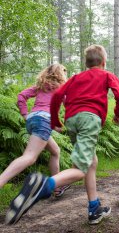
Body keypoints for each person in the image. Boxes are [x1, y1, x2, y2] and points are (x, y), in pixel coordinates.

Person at [5, 45, 119, 225]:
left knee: (91, 161)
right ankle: (43, 186)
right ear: (103, 62)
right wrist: (117, 115)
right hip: (89, 120)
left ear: (86, 63)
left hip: (72, 120)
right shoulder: (106, 75)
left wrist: (56, 121)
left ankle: (94, 208)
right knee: (81, 168)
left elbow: (58, 96)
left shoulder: (76, 77)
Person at [0, 63, 70, 198]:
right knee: (30, 157)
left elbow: (21, 96)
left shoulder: (40, 86)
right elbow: (69, 106)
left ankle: (56, 187)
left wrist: (25, 114)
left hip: (33, 120)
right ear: (61, 74)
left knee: (55, 151)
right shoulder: (62, 89)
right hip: (44, 121)